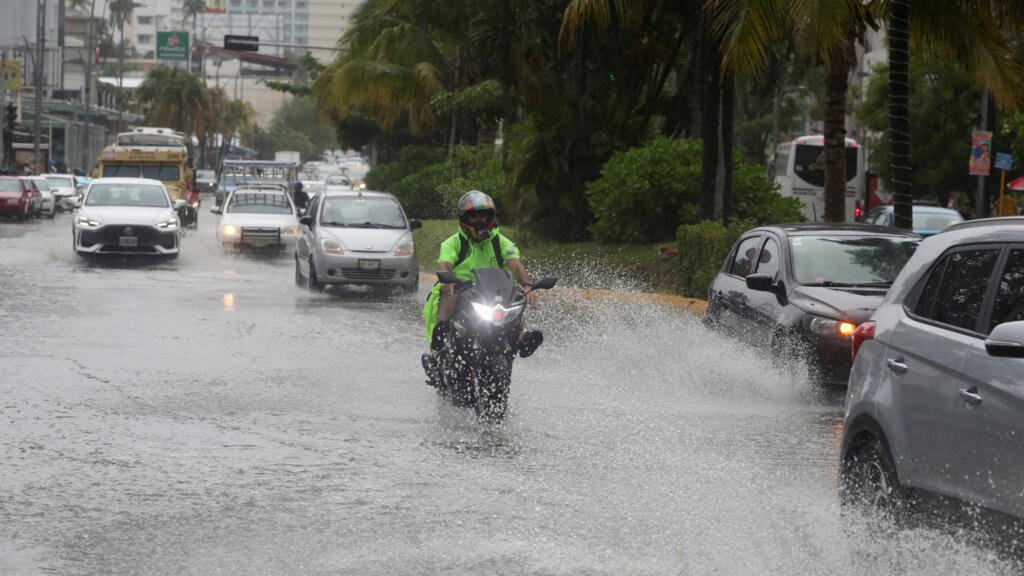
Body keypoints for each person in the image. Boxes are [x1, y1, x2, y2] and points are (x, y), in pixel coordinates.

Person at [422, 191, 542, 361]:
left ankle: (521, 337)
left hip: (492, 292)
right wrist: (448, 280)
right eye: (474, 217)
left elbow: (515, 264)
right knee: (450, 290)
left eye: (483, 216)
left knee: (516, 295)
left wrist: (527, 285)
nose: (480, 221)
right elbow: (445, 266)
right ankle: (442, 330)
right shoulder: (453, 243)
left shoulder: (501, 242)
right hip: (461, 289)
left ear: (491, 217)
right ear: (464, 219)